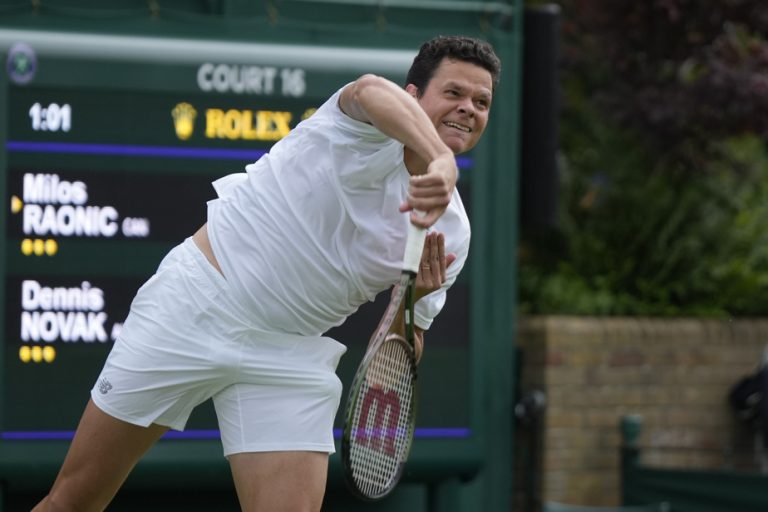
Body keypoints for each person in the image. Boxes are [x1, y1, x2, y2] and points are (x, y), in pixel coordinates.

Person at [33, 35, 501, 512]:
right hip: (196, 303)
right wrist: (441, 161)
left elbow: (402, 352)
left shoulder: (453, 235)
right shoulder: (358, 126)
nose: (468, 109)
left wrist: (408, 304)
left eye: (481, 102)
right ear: (413, 95)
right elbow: (367, 89)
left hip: (290, 355)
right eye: (454, 93)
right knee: (74, 502)